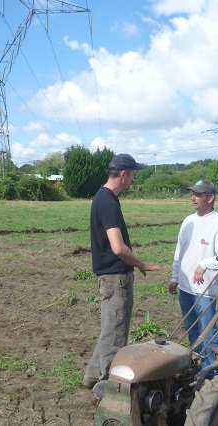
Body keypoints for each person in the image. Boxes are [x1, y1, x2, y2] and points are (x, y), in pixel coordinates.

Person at [82, 153, 162, 396]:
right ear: (124, 174)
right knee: (116, 334)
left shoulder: (101, 197)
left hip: (108, 278)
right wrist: (142, 264)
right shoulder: (108, 203)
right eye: (134, 173)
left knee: (109, 329)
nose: (135, 178)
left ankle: (91, 376)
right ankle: (105, 388)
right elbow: (118, 247)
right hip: (117, 279)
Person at [168, 179, 218, 371]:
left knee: (208, 333)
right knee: (192, 331)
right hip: (185, 288)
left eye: (198, 194)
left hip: (205, 291)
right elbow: (179, 251)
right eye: (193, 194)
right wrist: (175, 277)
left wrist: (205, 264)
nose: (193, 197)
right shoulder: (188, 221)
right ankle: (200, 370)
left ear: (210, 197)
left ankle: (216, 375)